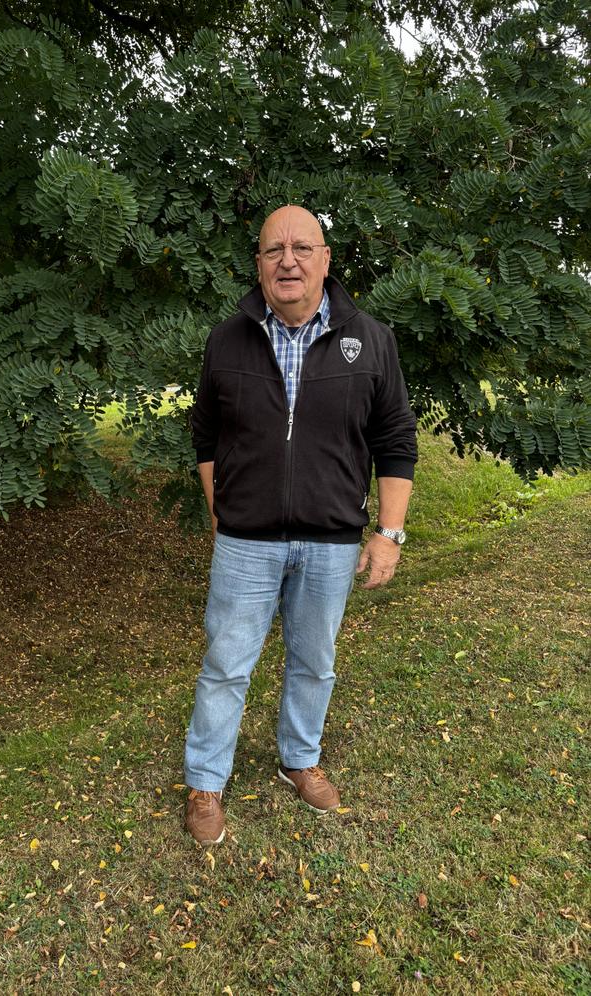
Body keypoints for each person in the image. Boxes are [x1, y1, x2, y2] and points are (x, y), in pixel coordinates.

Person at [184, 205, 417, 845]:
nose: (287, 260)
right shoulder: (227, 338)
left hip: (331, 541)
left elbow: (396, 442)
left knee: (314, 662)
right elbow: (205, 434)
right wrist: (219, 508)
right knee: (226, 665)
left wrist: (388, 534)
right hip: (246, 542)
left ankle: (300, 759)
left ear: (325, 259)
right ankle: (206, 781)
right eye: (272, 250)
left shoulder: (370, 339)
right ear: (257, 264)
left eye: (301, 248)